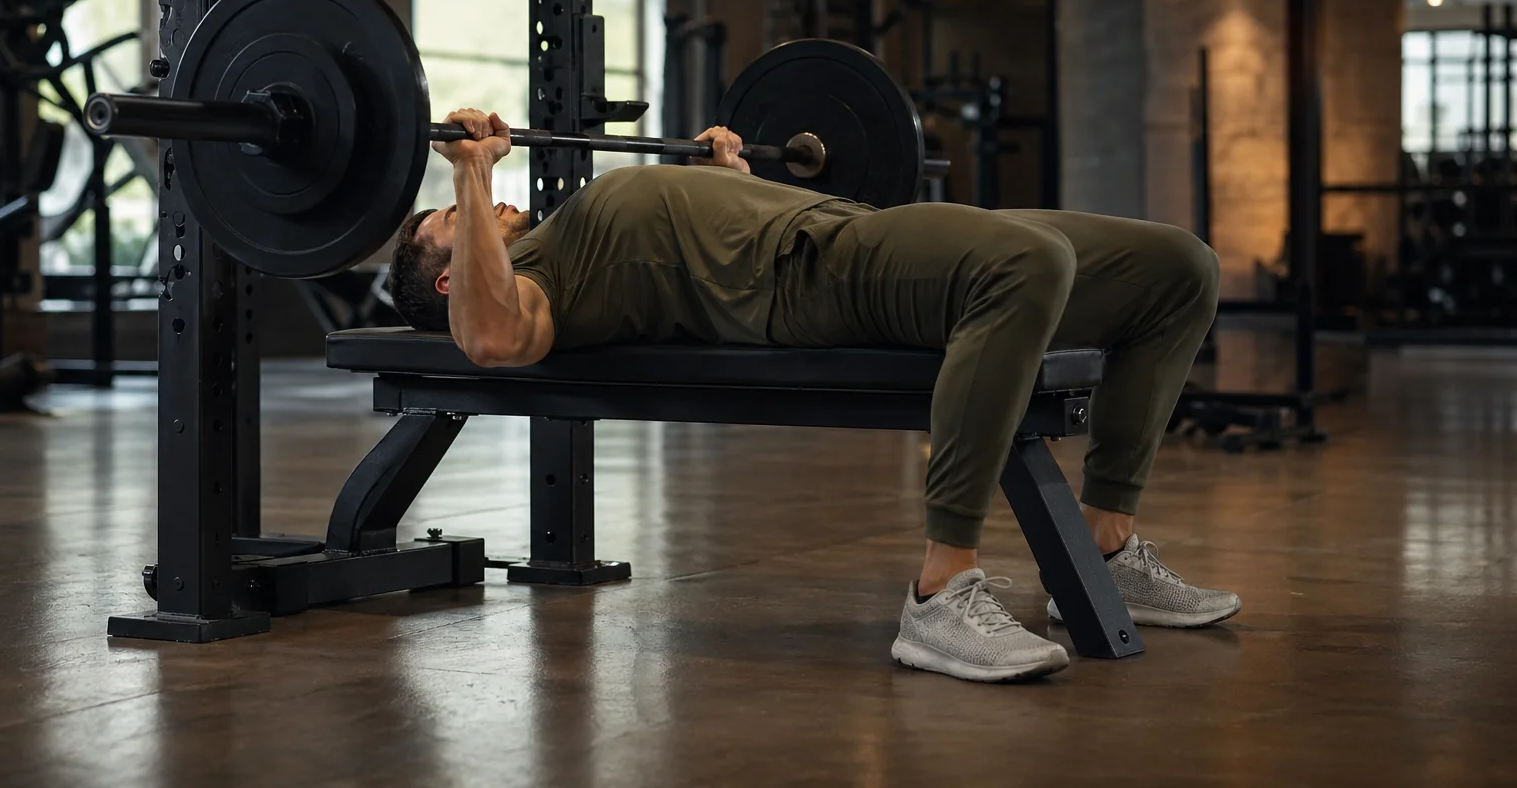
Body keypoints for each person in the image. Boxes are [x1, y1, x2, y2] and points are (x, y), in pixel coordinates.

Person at [389, 109, 1239, 684]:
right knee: (1027, 262)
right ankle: (940, 595)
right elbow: (493, 338)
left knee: (1178, 267)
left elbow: (685, 247)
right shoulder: (536, 284)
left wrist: (728, 178)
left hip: (843, 223)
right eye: (457, 219)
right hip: (820, 276)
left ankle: (1105, 549)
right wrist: (466, 171)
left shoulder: (569, 229)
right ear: (449, 273)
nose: (493, 200)